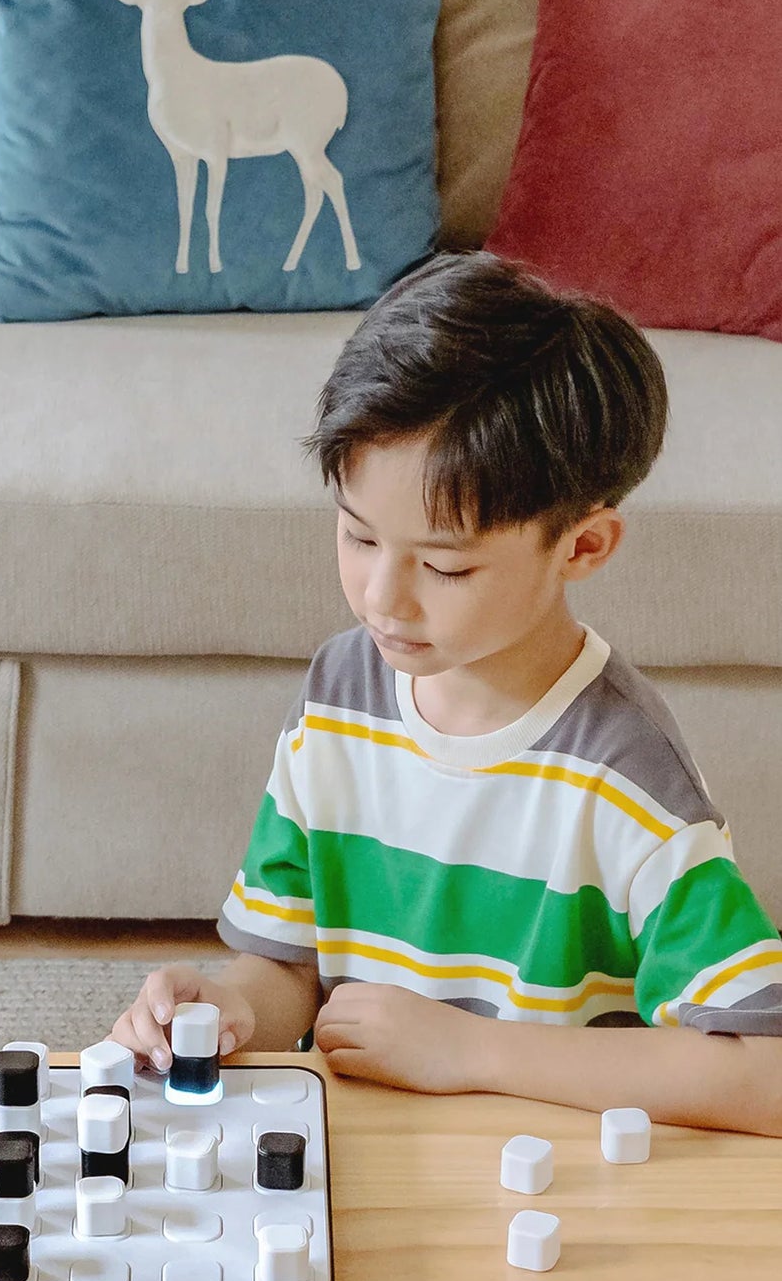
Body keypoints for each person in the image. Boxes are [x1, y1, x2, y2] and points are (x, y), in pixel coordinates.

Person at [110, 252, 782, 1135]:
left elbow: (765, 1072)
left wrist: (470, 1051)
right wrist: (228, 1009)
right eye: (357, 537)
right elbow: (291, 972)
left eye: (444, 565)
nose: (382, 598)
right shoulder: (339, 694)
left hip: (537, 1180)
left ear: (581, 548)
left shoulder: (627, 778)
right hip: (355, 1157)